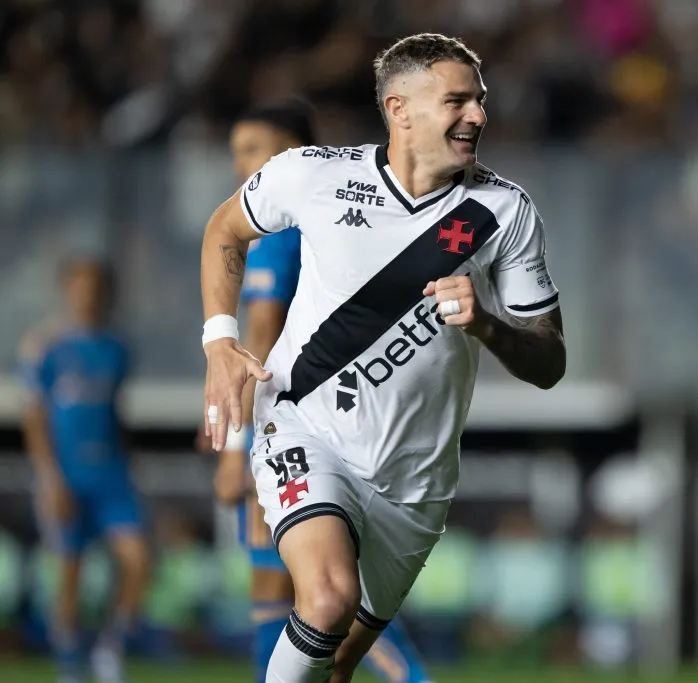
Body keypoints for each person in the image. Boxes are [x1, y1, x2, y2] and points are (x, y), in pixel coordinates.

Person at [200, 32, 564, 683]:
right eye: (457, 101)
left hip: (416, 480)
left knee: (336, 665)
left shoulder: (503, 212)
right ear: (400, 109)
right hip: (304, 424)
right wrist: (219, 341)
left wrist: (487, 324)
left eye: (479, 101)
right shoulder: (315, 174)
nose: (477, 115)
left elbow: (549, 361)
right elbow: (225, 228)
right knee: (327, 598)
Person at [215, 98, 438, 683]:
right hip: (324, 424)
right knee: (289, 585)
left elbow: (260, 341)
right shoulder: (319, 224)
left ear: (294, 154)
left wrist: (239, 448)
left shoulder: (286, 235)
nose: (242, 166)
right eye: (236, 152)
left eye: (255, 151)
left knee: (318, 593)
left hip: (291, 429)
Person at [19, 258, 149, 683]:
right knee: (70, 571)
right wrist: (49, 478)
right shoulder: (45, 347)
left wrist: (127, 466)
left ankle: (110, 648)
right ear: (67, 289)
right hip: (67, 474)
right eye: (80, 286)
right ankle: (70, 661)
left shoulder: (118, 348)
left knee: (137, 558)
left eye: (95, 286)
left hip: (110, 473)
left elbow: (115, 414)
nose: (88, 294)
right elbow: (35, 416)